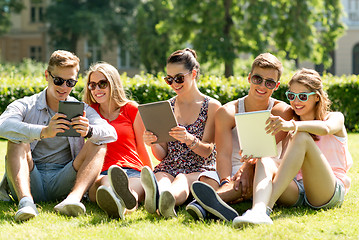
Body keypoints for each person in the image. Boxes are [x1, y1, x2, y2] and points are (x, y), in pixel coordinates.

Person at [0, 50, 117, 222]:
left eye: (70, 82)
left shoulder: (81, 108)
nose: (64, 87)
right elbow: (3, 125)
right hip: (31, 177)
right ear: (47, 75)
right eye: (59, 80)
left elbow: (111, 133)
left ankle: (73, 200)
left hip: (65, 178)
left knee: (99, 143)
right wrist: (43, 132)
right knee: (16, 139)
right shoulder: (27, 104)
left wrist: (89, 131)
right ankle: (26, 203)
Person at [232, 68, 353, 227]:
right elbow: (287, 167)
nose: (296, 101)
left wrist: (291, 125)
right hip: (298, 191)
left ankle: (266, 208)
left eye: (303, 96)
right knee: (265, 159)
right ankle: (258, 210)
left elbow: (325, 128)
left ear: (317, 97)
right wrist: (256, 159)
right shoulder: (291, 130)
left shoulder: (334, 118)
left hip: (327, 191)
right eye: (292, 96)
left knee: (302, 135)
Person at [187, 53, 293, 221]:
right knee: (209, 178)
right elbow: (223, 154)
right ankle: (221, 199)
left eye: (269, 82)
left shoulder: (282, 112)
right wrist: (226, 181)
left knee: (253, 176)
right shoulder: (227, 112)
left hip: (264, 169)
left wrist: (247, 169)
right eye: (258, 79)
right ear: (250, 77)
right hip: (229, 170)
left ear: (277, 86)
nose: (262, 86)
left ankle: (204, 205)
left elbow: (263, 149)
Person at [140, 48, 221, 218]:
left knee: (182, 179)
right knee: (162, 177)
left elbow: (208, 151)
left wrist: (189, 139)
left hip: (199, 168)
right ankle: (160, 197)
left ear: (193, 73)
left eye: (179, 78)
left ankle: (165, 199)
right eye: (169, 79)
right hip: (170, 166)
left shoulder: (212, 106)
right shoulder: (166, 106)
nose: (174, 84)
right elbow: (162, 155)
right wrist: (153, 142)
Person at [83, 62, 152, 219]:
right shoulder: (88, 112)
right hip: (102, 172)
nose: (97, 89)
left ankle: (123, 205)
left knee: (133, 191)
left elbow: (141, 147)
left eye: (102, 84)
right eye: (92, 85)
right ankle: (114, 199)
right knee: (106, 183)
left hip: (132, 169)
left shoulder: (131, 109)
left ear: (113, 83)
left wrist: (151, 175)